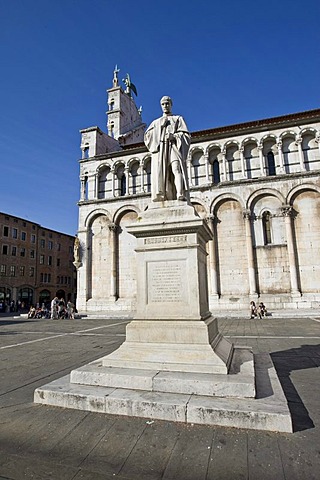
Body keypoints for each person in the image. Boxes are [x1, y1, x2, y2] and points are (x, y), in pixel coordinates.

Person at [144, 96, 190, 202]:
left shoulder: (178, 119)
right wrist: (160, 127)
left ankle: (180, 193)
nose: (165, 106)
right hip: (161, 151)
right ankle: (165, 194)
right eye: (163, 104)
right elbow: (147, 137)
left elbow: (186, 135)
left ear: (171, 105)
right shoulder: (156, 122)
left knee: (176, 169)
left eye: (167, 104)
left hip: (174, 147)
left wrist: (174, 137)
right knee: (164, 174)